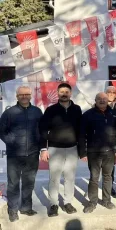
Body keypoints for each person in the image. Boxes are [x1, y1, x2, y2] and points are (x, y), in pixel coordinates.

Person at [0, 86, 43, 222]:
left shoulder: (37, 112)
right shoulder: (9, 112)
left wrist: (40, 147)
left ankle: (26, 207)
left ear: (31, 96)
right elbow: (1, 130)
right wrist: (11, 141)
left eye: (27, 94)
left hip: (32, 153)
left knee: (29, 182)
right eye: (21, 94)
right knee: (13, 183)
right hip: (14, 155)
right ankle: (12, 210)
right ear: (17, 96)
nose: (24, 96)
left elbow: (41, 131)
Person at [39, 83, 82, 217]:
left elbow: (80, 130)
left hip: (72, 149)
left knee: (70, 178)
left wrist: (81, 149)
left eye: (66, 92)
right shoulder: (51, 110)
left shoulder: (77, 109)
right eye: (62, 91)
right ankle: (53, 204)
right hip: (54, 149)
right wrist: (43, 149)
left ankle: (68, 202)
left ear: (70, 93)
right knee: (54, 178)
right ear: (58, 93)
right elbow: (43, 130)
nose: (64, 94)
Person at [79, 92, 116, 213]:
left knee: (108, 177)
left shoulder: (113, 114)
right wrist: (83, 152)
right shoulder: (87, 115)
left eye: (104, 99)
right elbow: (81, 135)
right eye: (99, 99)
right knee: (94, 178)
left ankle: (106, 200)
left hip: (110, 152)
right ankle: (92, 202)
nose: (102, 101)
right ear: (95, 100)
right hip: (93, 153)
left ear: (108, 100)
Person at [106, 86, 116, 196]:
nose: (111, 94)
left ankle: (110, 187)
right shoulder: (98, 105)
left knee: (111, 167)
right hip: (100, 142)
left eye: (113, 92)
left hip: (114, 141)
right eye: (108, 92)